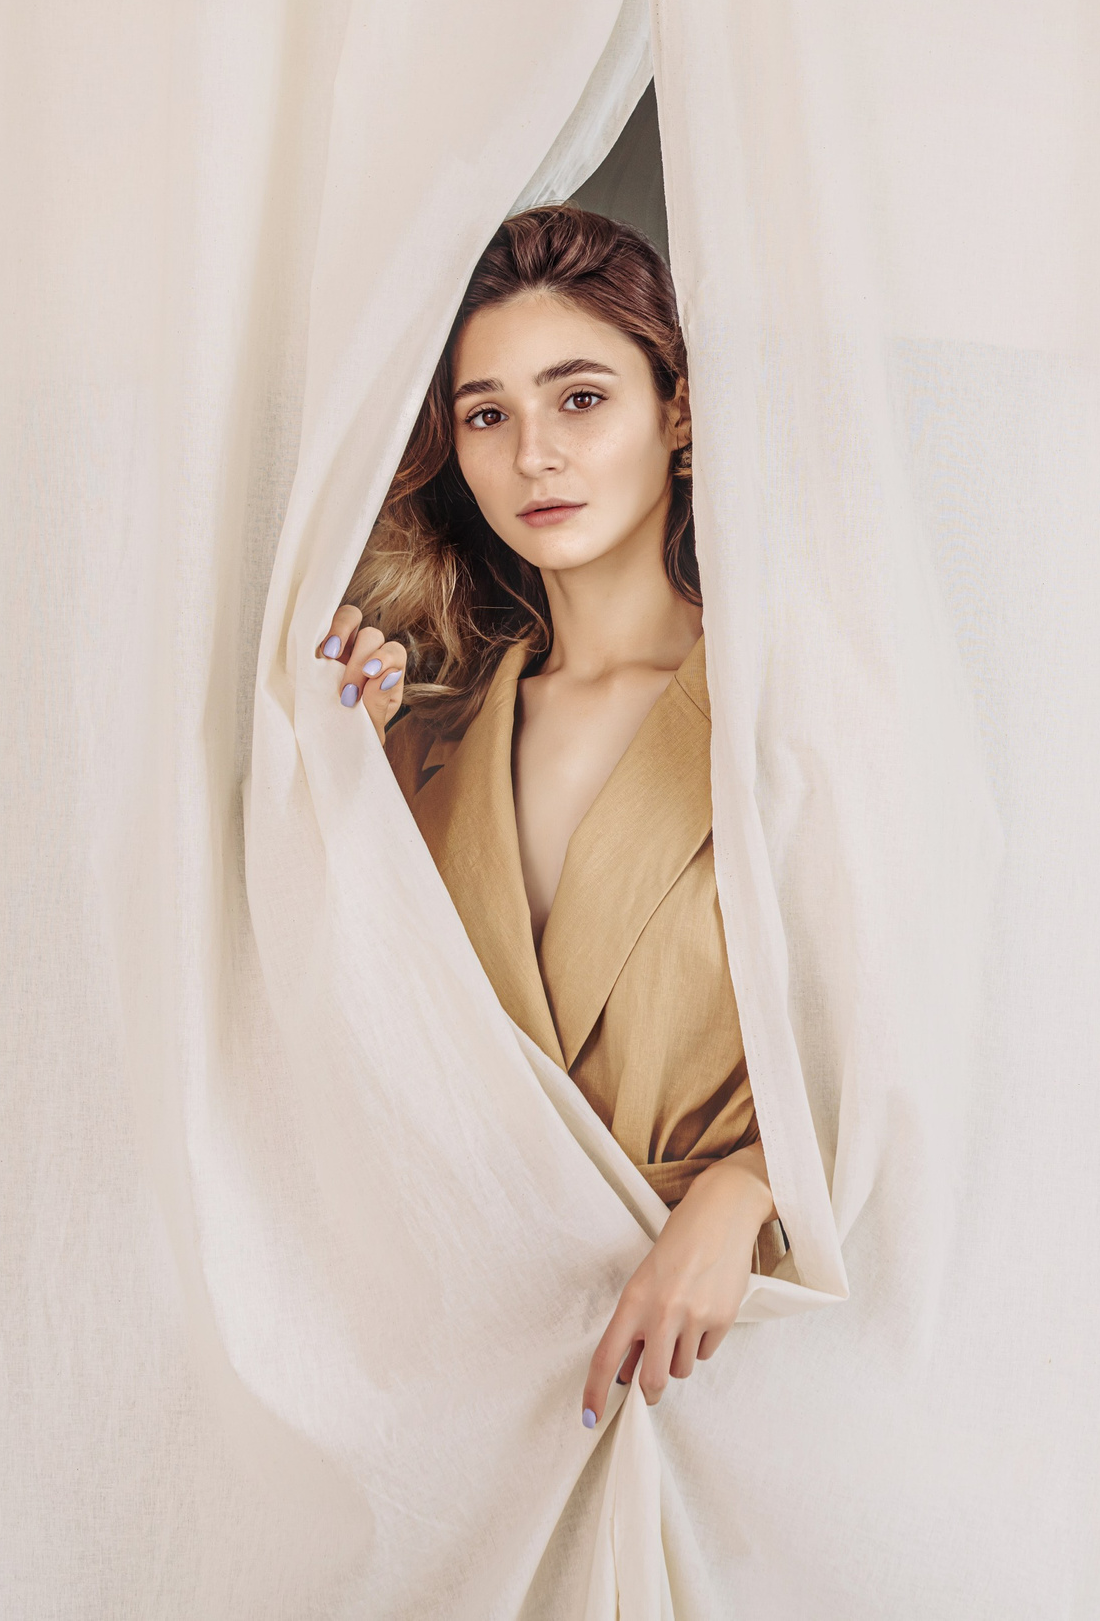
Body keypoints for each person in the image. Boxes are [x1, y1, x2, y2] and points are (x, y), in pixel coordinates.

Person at [313, 203, 788, 1434]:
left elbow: (928, 1057)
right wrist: (322, 779)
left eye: (580, 398)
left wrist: (741, 1193)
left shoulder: (789, 721)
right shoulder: (420, 748)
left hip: (750, 1381)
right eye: (488, 414)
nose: (533, 453)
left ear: (677, 413)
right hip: (465, 1387)